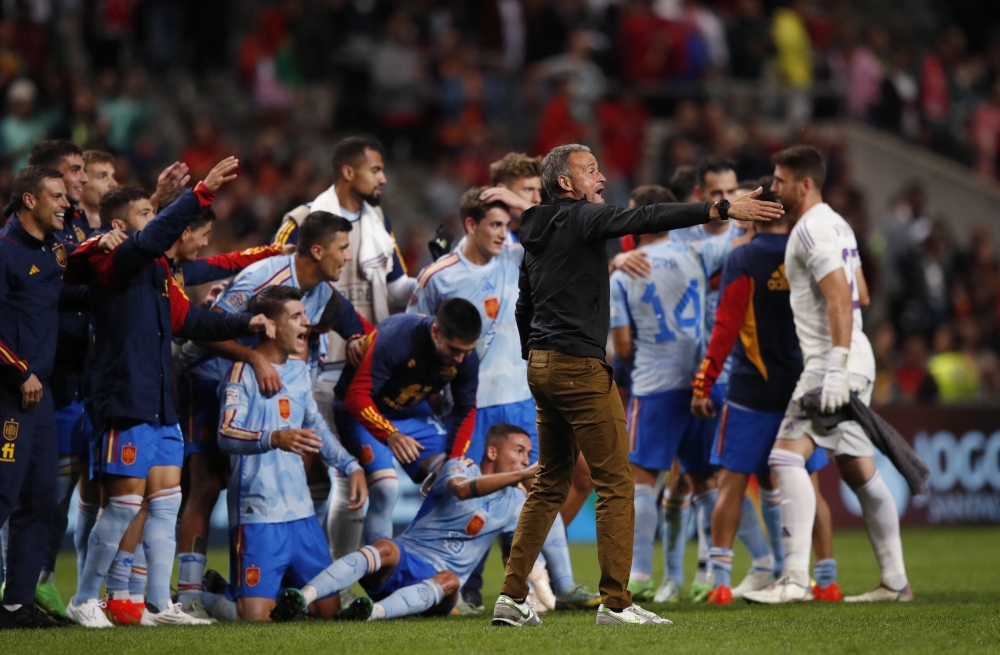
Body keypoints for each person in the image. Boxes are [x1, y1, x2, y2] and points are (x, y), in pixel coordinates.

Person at [495, 143, 782, 627]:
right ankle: (616, 602)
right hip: (578, 367)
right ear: (566, 184)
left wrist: (536, 351)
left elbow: (525, 304)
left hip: (541, 365)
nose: (602, 177)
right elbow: (645, 218)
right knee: (616, 483)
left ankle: (512, 596)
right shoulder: (581, 217)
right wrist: (720, 208)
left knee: (548, 483)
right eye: (591, 170)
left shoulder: (536, 229)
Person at [64, 158, 273, 628]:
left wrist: (247, 322)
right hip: (123, 396)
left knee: (165, 505)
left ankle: (160, 605)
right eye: (145, 215)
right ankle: (83, 598)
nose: (154, 223)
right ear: (121, 226)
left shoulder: (157, 270)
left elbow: (191, 322)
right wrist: (199, 194)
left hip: (161, 402)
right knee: (121, 506)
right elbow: (152, 238)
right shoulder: (109, 261)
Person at [408, 188, 597, 613]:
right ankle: (455, 585)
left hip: (522, 397)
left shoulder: (517, 257)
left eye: (507, 224)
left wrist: (515, 204)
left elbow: (555, 229)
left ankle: (562, 584)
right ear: (470, 225)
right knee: (465, 492)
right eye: (493, 224)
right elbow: (420, 336)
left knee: (541, 488)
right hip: (471, 404)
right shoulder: (438, 277)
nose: (503, 232)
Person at [173, 211, 367, 615]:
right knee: (206, 484)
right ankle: (190, 595)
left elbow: (354, 323)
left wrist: (358, 338)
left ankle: (278, 577)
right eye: (343, 248)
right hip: (207, 376)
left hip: (270, 383)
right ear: (317, 251)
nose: (348, 257)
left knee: (297, 467)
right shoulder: (261, 279)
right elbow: (206, 328)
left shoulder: (320, 291)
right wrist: (252, 359)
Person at [745, 146, 910, 604]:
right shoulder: (837, 223)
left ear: (804, 184)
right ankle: (896, 582)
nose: (773, 187)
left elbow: (841, 298)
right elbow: (862, 292)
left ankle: (795, 579)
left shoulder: (812, 229)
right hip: (854, 358)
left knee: (783, 459)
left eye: (779, 180)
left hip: (830, 365)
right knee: (861, 473)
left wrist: (835, 370)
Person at [690, 177, 838, 604]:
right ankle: (826, 580)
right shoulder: (809, 250)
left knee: (731, 483)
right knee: (810, 485)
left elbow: (726, 326)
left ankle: (719, 581)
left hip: (751, 392)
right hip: (803, 387)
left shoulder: (744, 258)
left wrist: (704, 381)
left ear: (755, 214)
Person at [271, 136, 415, 558]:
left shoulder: (379, 222)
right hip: (315, 363)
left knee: (348, 476)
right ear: (348, 172)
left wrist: (429, 280)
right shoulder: (302, 219)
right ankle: (318, 574)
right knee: (328, 474)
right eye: (376, 169)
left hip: (367, 365)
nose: (383, 178)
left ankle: (329, 576)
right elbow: (275, 283)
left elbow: (396, 285)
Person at [268, 424, 542, 624]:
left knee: (449, 580)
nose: (525, 460)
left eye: (529, 455)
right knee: (385, 546)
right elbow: (461, 490)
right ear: (492, 452)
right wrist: (523, 474)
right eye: (519, 451)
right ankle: (301, 598)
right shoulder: (459, 465)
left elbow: (512, 552)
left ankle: (369, 614)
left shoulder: (517, 500)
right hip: (405, 560)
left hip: (439, 588)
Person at [206, 286, 367, 622]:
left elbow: (316, 428)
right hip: (257, 514)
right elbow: (225, 434)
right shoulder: (242, 373)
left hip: (302, 513)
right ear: (271, 326)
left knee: (328, 610)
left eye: (304, 315)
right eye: (296, 316)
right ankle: (210, 596)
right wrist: (273, 437)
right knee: (256, 619)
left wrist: (351, 466)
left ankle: (271, 594)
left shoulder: (297, 372)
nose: (306, 323)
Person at [608, 184, 734, 604]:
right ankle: (717, 576)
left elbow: (622, 346)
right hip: (700, 382)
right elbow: (736, 243)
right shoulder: (697, 252)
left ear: (642, 219)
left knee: (644, 477)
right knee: (705, 481)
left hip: (653, 384)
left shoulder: (625, 271)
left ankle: (641, 573)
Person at [334, 299, 481, 546]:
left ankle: (426, 560)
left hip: (410, 412)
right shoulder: (397, 336)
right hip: (364, 412)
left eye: (466, 351)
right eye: (454, 350)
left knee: (453, 481)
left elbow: (465, 409)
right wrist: (390, 434)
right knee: (386, 490)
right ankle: (377, 574)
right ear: (435, 332)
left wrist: (454, 463)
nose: (459, 359)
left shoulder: (466, 357)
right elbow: (356, 396)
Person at [0, 166, 73, 630]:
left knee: (39, 497)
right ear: (30, 200)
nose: (67, 203)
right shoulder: (3, 251)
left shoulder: (55, 251)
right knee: (2, 494)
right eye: (58, 195)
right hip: (9, 392)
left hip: (39, 396)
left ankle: (16, 605)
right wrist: (19, 370)